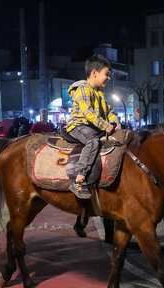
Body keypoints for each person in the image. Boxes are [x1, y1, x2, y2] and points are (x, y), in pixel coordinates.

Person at [65, 54, 120, 199]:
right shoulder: (83, 88)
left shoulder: (99, 93)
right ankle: (79, 179)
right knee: (93, 140)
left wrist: (115, 122)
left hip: (92, 127)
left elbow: (109, 111)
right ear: (94, 73)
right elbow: (87, 112)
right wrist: (105, 125)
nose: (108, 78)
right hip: (78, 126)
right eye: (106, 74)